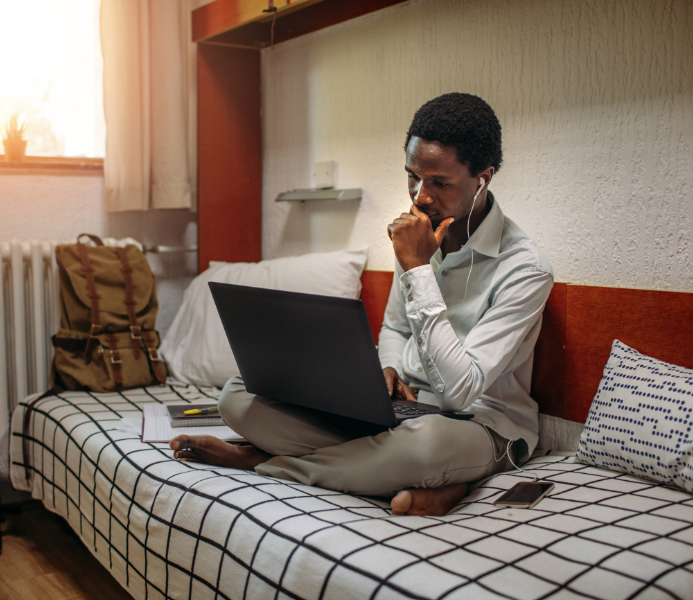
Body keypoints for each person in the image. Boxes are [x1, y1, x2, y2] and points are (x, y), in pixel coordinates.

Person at [170, 93, 553, 517]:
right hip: (398, 413)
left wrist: (418, 270)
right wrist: (387, 370)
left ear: (483, 178)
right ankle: (426, 481)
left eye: (439, 182)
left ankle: (261, 462)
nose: (420, 197)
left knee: (423, 446)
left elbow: (460, 395)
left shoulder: (525, 268)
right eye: (412, 177)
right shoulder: (416, 234)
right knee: (238, 396)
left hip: (479, 425)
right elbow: (395, 329)